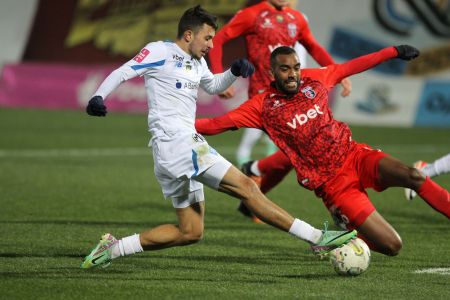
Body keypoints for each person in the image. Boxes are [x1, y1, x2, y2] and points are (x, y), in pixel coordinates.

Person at [80, 5, 356, 269]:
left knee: (190, 232)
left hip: (174, 148)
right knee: (247, 187)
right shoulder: (159, 51)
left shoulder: (197, 62)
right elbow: (123, 71)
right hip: (177, 143)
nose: (212, 45)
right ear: (189, 34)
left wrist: (233, 73)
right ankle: (317, 239)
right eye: (208, 37)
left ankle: (114, 248)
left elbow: (212, 85)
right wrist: (98, 96)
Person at [195, 45, 450, 256]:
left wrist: (393, 52)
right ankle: (341, 237)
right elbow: (216, 124)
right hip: (333, 185)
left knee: (413, 176)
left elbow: (352, 66)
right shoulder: (262, 106)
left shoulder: (315, 79)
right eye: (284, 69)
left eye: (295, 67)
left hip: (356, 156)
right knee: (392, 246)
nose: (292, 74)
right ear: (272, 72)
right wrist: (175, 124)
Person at [208, 0, 352, 166]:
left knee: (294, 131)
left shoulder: (296, 18)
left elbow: (313, 47)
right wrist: (220, 77)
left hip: (287, 88)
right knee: (287, 130)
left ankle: (257, 164)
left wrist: (339, 73)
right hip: (262, 89)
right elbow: (218, 40)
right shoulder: (251, 15)